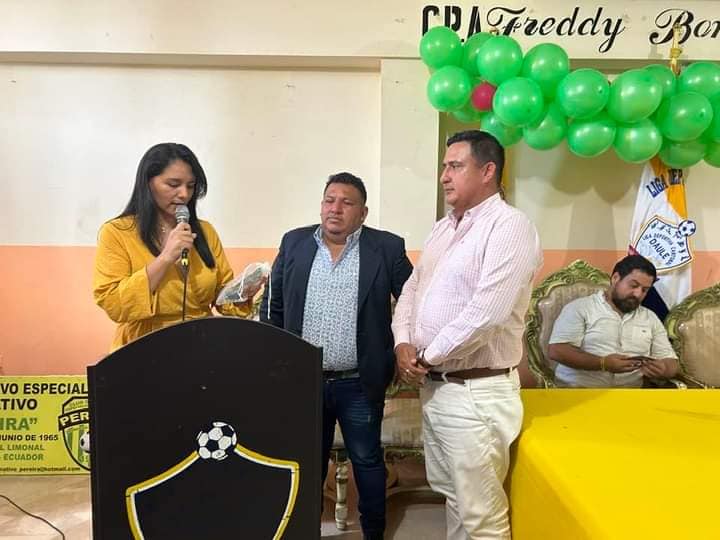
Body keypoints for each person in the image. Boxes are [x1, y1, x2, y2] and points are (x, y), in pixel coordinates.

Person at [392, 130, 542, 539]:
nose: (444, 176)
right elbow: (411, 288)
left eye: (455, 166)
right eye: (445, 166)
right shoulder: (442, 229)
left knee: (482, 517)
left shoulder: (510, 227)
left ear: (488, 171)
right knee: (455, 500)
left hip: (476, 393)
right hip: (437, 388)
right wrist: (403, 342)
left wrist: (426, 356)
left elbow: (486, 314)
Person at [260, 172, 412, 540]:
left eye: (347, 202)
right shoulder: (294, 243)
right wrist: (276, 362)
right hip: (305, 381)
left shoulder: (386, 248)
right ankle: (304, 530)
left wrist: (404, 347)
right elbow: (273, 306)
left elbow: (413, 302)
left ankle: (373, 532)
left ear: (363, 212)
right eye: (330, 200)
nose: (335, 208)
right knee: (307, 462)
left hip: (359, 380)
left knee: (367, 460)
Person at [94, 143, 257, 351]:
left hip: (201, 344)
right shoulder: (117, 232)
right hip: (142, 348)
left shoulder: (205, 231)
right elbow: (114, 303)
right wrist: (165, 258)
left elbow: (221, 297)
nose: (184, 194)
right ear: (147, 182)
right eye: (173, 184)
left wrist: (243, 291)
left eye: (191, 186)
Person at [548, 254, 679, 388]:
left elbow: (671, 362)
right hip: (578, 392)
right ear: (615, 278)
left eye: (645, 290)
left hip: (630, 394)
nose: (638, 294)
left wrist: (664, 369)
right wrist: (603, 363)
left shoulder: (650, 317)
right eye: (633, 285)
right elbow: (557, 350)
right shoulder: (580, 308)